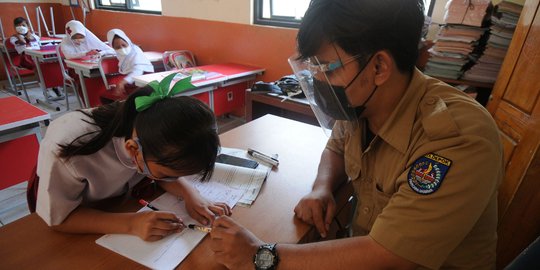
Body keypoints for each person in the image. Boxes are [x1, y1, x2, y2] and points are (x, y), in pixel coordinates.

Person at [209, 0, 503, 269]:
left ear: (378, 67)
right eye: (312, 65)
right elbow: (336, 148)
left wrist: (260, 255)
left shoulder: (456, 138)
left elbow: (388, 255)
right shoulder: (363, 103)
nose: (316, 78)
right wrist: (321, 188)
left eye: (325, 67)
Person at [36, 76, 231, 242]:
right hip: (80, 209)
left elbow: (159, 169)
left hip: (121, 198)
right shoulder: (70, 149)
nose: (174, 179)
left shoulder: (148, 129)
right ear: (132, 148)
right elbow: (59, 218)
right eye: (168, 175)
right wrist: (132, 223)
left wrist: (190, 194)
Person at [106, 28, 154, 95]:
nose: (122, 49)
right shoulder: (120, 54)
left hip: (142, 79)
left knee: (120, 92)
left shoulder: (136, 52)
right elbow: (109, 51)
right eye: (117, 47)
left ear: (128, 41)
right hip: (132, 79)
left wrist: (122, 82)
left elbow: (138, 71)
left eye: (124, 45)